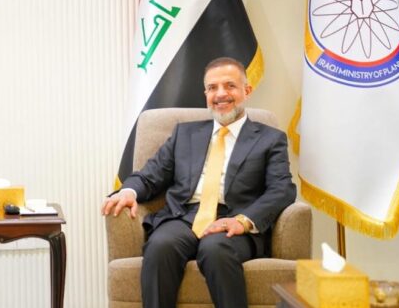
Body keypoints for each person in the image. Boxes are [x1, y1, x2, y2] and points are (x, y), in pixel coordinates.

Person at [102, 57, 296, 308]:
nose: (221, 94)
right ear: (206, 94)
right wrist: (129, 191)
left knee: (215, 249)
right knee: (160, 246)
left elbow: (282, 189)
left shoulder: (270, 139)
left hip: (233, 222)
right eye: (212, 88)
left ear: (247, 91)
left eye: (230, 86)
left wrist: (242, 221)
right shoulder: (184, 134)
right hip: (183, 217)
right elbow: (150, 175)